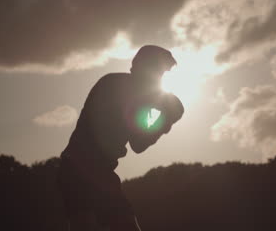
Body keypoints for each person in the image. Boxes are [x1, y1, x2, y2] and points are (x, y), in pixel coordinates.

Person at [58, 45, 184, 231]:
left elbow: (138, 142)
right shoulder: (117, 87)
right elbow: (136, 141)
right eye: (159, 72)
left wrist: (164, 122)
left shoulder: (133, 93)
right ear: (145, 68)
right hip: (85, 168)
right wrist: (163, 117)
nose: (160, 78)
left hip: (84, 168)